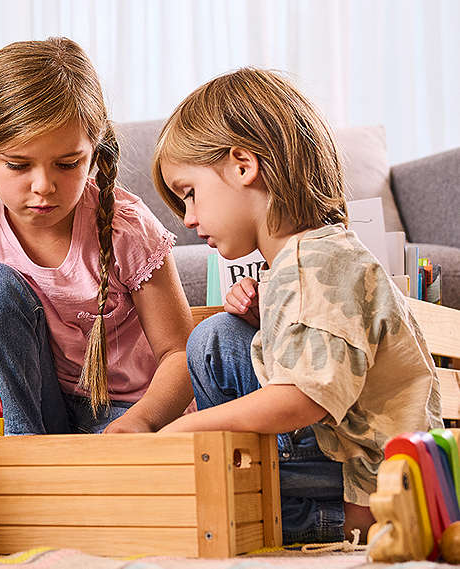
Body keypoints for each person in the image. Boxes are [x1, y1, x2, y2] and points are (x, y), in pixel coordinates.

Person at [152, 68, 442, 544]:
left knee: (212, 343)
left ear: (243, 166)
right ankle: (243, 492)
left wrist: (187, 431)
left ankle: (270, 506)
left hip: (372, 484)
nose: (189, 218)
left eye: (190, 194)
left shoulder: (311, 266)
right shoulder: (317, 257)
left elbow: (301, 398)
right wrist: (267, 323)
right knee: (220, 336)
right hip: (372, 467)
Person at [0, 37, 195, 437]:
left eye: (67, 164)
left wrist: (141, 422)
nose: (43, 186)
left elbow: (178, 353)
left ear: (95, 150)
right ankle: (15, 456)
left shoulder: (125, 227)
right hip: (27, 421)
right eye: (18, 165)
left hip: (124, 417)